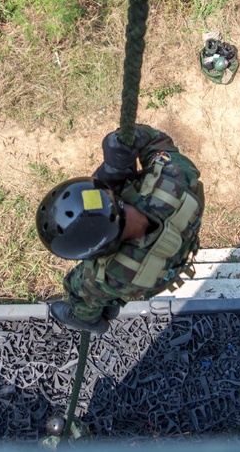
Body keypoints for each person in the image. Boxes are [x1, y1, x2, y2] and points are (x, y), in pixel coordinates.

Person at [37, 125, 203, 334]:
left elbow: (80, 293)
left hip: (145, 277)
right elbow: (155, 142)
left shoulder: (110, 275)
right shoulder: (176, 177)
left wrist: (86, 313)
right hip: (180, 244)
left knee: (84, 293)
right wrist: (122, 140)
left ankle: (91, 321)